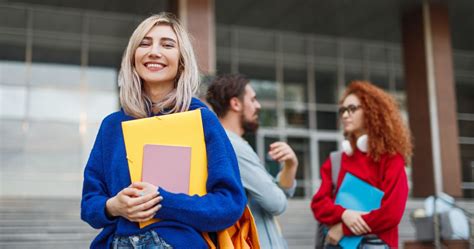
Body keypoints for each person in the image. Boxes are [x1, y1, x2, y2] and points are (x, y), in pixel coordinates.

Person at [81, 13, 246, 249]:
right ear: (133, 58)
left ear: (181, 61)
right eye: (144, 43)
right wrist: (113, 206)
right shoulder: (112, 126)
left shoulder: (201, 120)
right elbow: (89, 204)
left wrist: (162, 201)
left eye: (167, 44)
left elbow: (229, 204)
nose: (154, 51)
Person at [310, 81, 413, 248]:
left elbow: (391, 213)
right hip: (338, 244)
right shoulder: (337, 160)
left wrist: (345, 228)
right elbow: (318, 204)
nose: (344, 115)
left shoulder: (391, 159)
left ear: (372, 112)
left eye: (352, 109)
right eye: (342, 110)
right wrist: (344, 214)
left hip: (374, 243)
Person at [206, 74, 299, 249]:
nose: (258, 105)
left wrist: (290, 164)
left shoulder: (227, 142)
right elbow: (276, 203)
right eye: (253, 99)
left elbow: (278, 194)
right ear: (236, 103)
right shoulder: (233, 145)